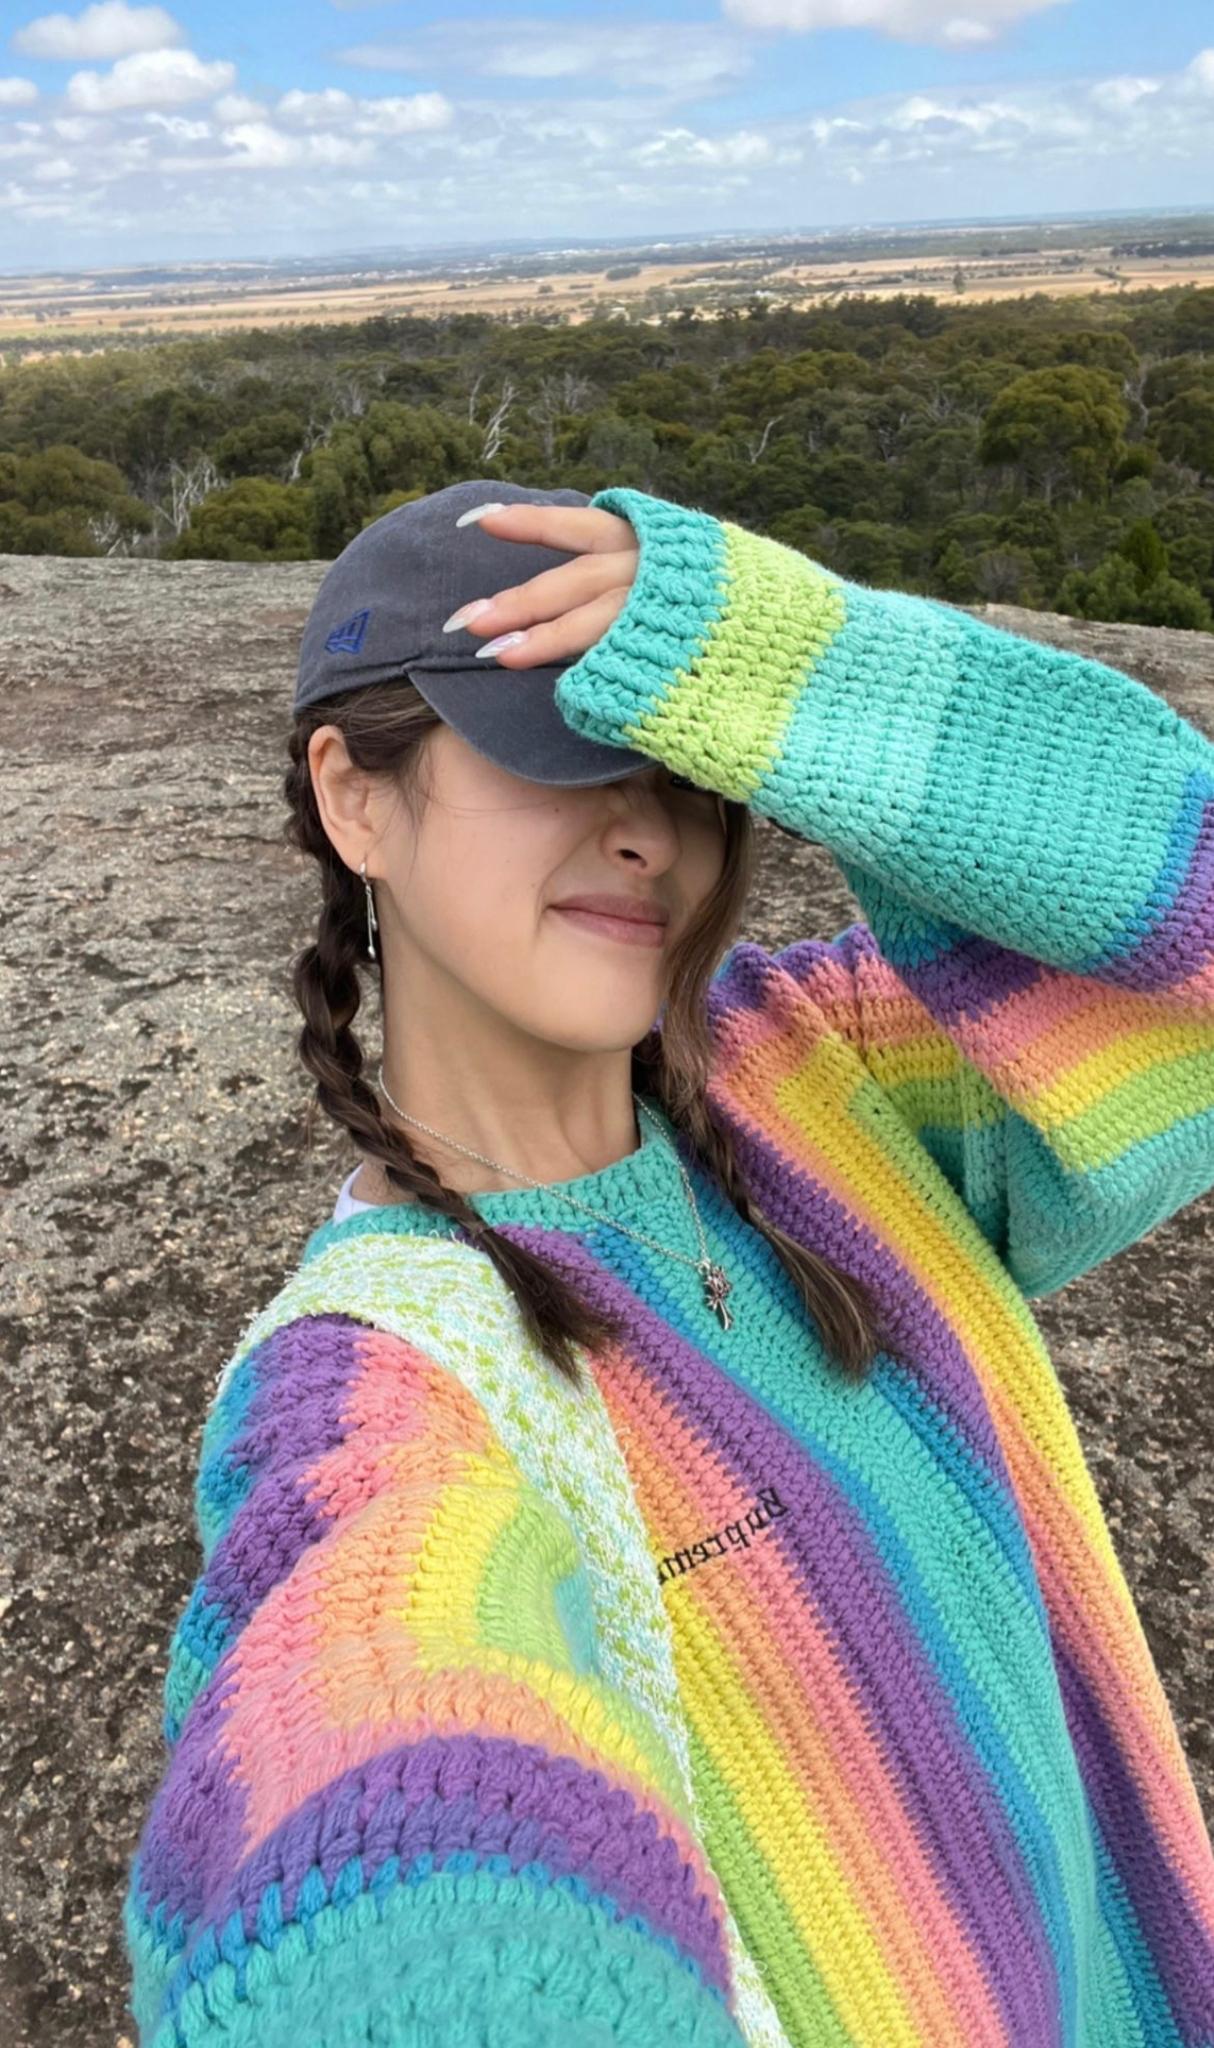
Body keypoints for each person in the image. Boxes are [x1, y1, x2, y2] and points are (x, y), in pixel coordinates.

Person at [121, 477, 1214, 2047]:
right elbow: (371, 1734)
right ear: (355, 799)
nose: (648, 833)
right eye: (552, 750)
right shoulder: (384, 1383)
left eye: (689, 775)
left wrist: (799, 661)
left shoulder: (828, 1066)